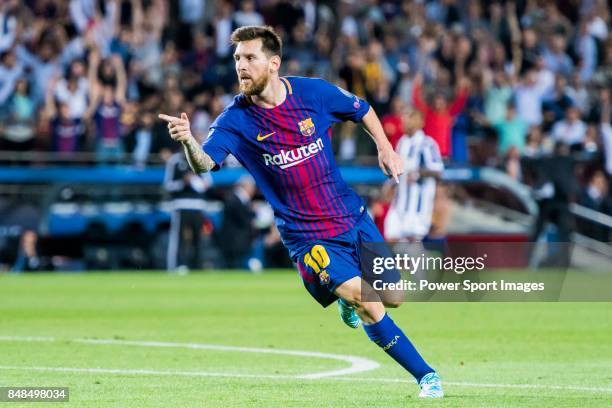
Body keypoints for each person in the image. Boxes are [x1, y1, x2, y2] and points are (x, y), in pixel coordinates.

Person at [159, 25, 443, 398]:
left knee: (393, 297)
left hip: (350, 216)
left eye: (249, 58)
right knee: (369, 302)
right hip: (307, 235)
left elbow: (362, 109)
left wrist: (385, 149)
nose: (240, 67)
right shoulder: (236, 118)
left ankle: (343, 297)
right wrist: (188, 142)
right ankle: (427, 377)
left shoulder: (313, 93)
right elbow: (204, 164)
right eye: (236, 60)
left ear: (273, 63)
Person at [385, 110, 444, 242]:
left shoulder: (427, 144)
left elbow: (438, 170)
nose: (405, 121)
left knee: (412, 242)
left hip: (418, 204)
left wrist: (418, 173)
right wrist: (390, 184)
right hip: (400, 202)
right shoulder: (402, 142)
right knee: (391, 237)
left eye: (410, 118)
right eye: (405, 118)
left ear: (420, 122)